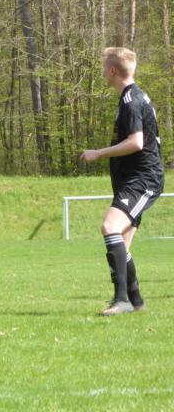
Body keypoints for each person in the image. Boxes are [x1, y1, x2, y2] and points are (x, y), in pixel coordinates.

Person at [79, 47, 164, 316]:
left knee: (109, 227)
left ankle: (121, 300)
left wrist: (99, 153)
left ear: (113, 70)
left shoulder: (131, 100)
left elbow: (136, 142)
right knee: (122, 246)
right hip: (134, 180)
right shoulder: (133, 97)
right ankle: (136, 301)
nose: (102, 71)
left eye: (104, 67)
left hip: (143, 180)